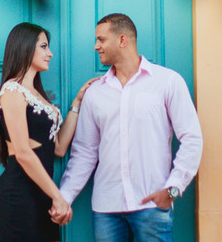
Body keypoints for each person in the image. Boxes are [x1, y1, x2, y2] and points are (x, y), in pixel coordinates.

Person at [56, 13, 203, 242]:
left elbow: (192, 138)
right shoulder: (96, 93)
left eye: (101, 40)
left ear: (122, 40)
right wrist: (64, 196)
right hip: (106, 209)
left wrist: (173, 189)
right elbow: (84, 151)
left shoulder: (167, 82)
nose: (96, 46)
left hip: (153, 206)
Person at [0, 22, 96, 241]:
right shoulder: (12, 90)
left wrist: (77, 103)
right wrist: (58, 197)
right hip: (18, 193)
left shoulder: (37, 95)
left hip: (41, 194)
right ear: (25, 47)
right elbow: (22, 152)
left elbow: (58, 148)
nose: (49, 53)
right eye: (43, 46)